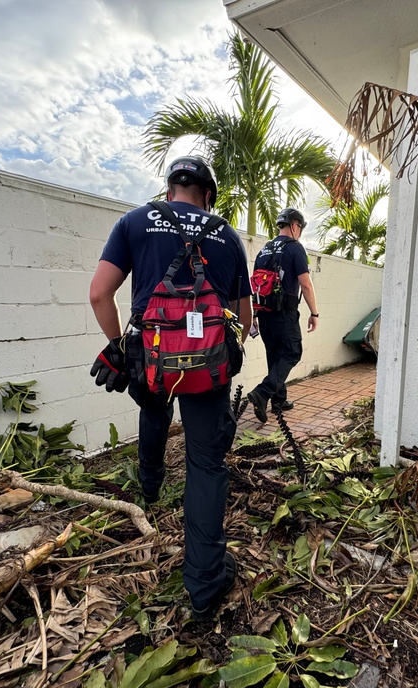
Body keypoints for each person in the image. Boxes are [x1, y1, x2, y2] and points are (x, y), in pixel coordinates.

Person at [89, 154, 252, 620]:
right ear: (207, 197)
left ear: (169, 191)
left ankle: (150, 488)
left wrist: (119, 346)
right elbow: (243, 315)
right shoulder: (226, 234)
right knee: (205, 464)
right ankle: (204, 585)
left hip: (151, 356)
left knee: (155, 412)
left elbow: (100, 293)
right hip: (207, 367)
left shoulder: (136, 221)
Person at [246, 207, 319, 424]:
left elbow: (256, 286)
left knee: (275, 355)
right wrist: (314, 313)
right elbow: (305, 284)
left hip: (265, 313)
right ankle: (262, 392)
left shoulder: (264, 250)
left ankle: (279, 400)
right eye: (300, 228)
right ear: (295, 226)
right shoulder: (296, 249)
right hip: (284, 313)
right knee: (291, 352)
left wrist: (255, 316)